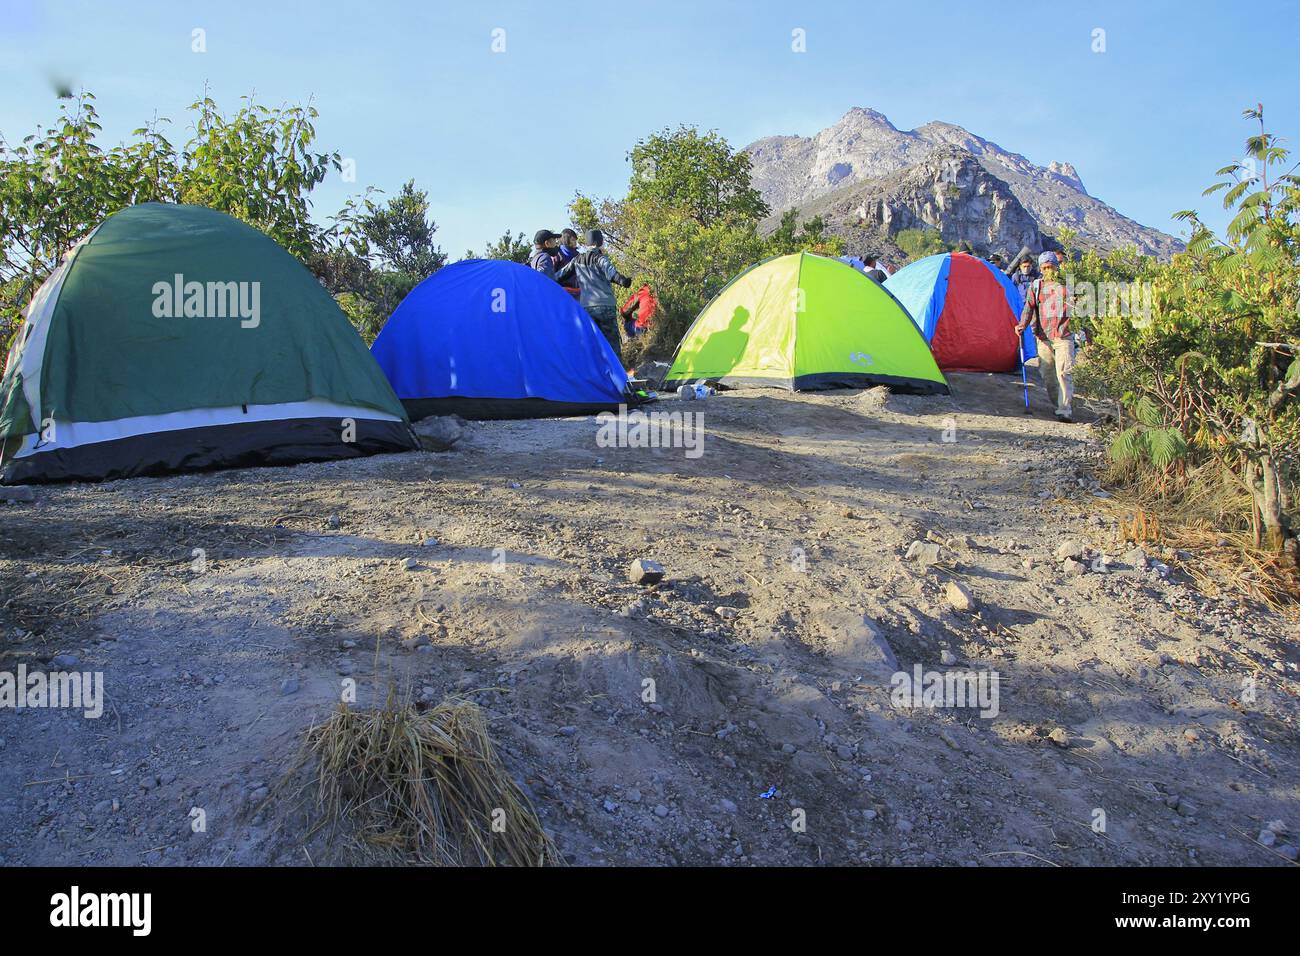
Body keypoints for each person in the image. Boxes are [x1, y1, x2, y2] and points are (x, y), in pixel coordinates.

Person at [1016, 252, 1074, 422]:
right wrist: (1022, 325)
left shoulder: (1066, 284)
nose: (1048, 270)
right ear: (1040, 269)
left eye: (1051, 266)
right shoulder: (1036, 286)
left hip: (1064, 334)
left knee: (1063, 372)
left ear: (1057, 267)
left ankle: (1065, 410)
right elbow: (1029, 307)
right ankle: (1059, 404)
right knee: (1048, 375)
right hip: (1043, 336)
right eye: (1045, 267)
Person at [564, 229, 631, 355]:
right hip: (606, 306)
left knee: (592, 344)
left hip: (587, 307)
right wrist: (624, 281)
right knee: (612, 344)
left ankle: (597, 373)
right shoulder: (600, 258)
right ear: (599, 241)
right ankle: (616, 373)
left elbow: (560, 275)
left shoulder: (577, 259)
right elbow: (612, 274)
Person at [556, 228, 581, 299]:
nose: (575, 242)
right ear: (566, 240)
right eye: (573, 240)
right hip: (562, 292)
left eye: (575, 240)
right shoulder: (558, 254)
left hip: (578, 292)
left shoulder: (578, 255)